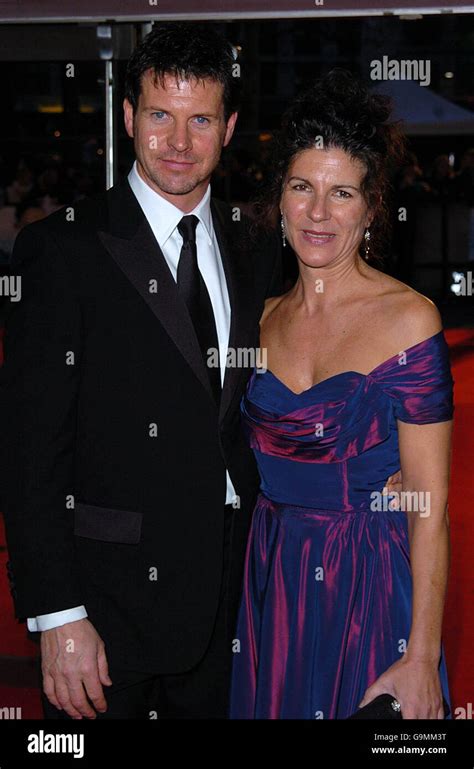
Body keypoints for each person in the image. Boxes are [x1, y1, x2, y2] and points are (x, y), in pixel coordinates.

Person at [0, 22, 281, 720]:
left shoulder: (256, 244)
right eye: (160, 115)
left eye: (201, 119)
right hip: (105, 608)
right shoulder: (61, 247)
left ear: (230, 126)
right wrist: (58, 614)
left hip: (232, 598)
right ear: (128, 117)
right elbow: (28, 449)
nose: (179, 142)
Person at [229, 70, 453, 720]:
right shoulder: (260, 317)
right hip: (274, 583)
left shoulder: (409, 319)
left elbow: (431, 508)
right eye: (302, 187)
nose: (319, 212)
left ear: (372, 206)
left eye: (341, 192)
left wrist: (420, 654)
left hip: (371, 588)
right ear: (280, 196)